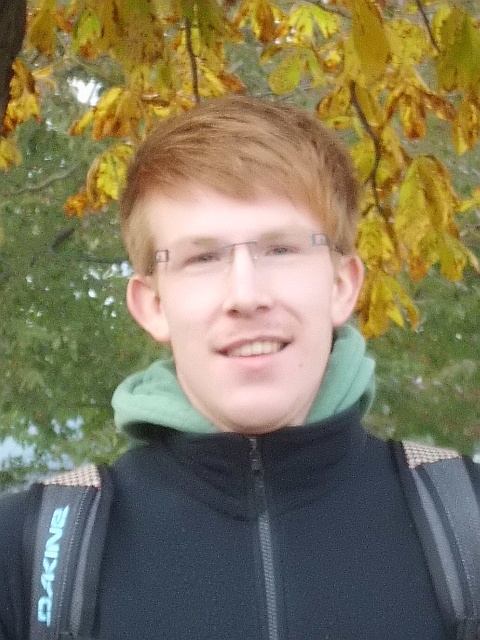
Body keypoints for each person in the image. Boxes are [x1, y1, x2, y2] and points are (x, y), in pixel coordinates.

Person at [0, 95, 478, 640]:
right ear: (153, 305)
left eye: (281, 249)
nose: (246, 296)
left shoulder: (469, 525)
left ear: (342, 286)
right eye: (203, 258)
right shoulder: (24, 557)